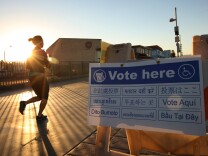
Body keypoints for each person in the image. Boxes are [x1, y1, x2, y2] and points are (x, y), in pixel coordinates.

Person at [19, 35, 51, 121]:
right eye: (42, 41)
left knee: (40, 97)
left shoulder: (31, 53)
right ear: (40, 42)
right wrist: (49, 58)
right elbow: (48, 65)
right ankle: (39, 116)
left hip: (32, 78)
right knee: (44, 98)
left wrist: (30, 80)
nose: (43, 43)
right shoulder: (42, 52)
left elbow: (27, 67)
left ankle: (24, 103)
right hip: (41, 78)